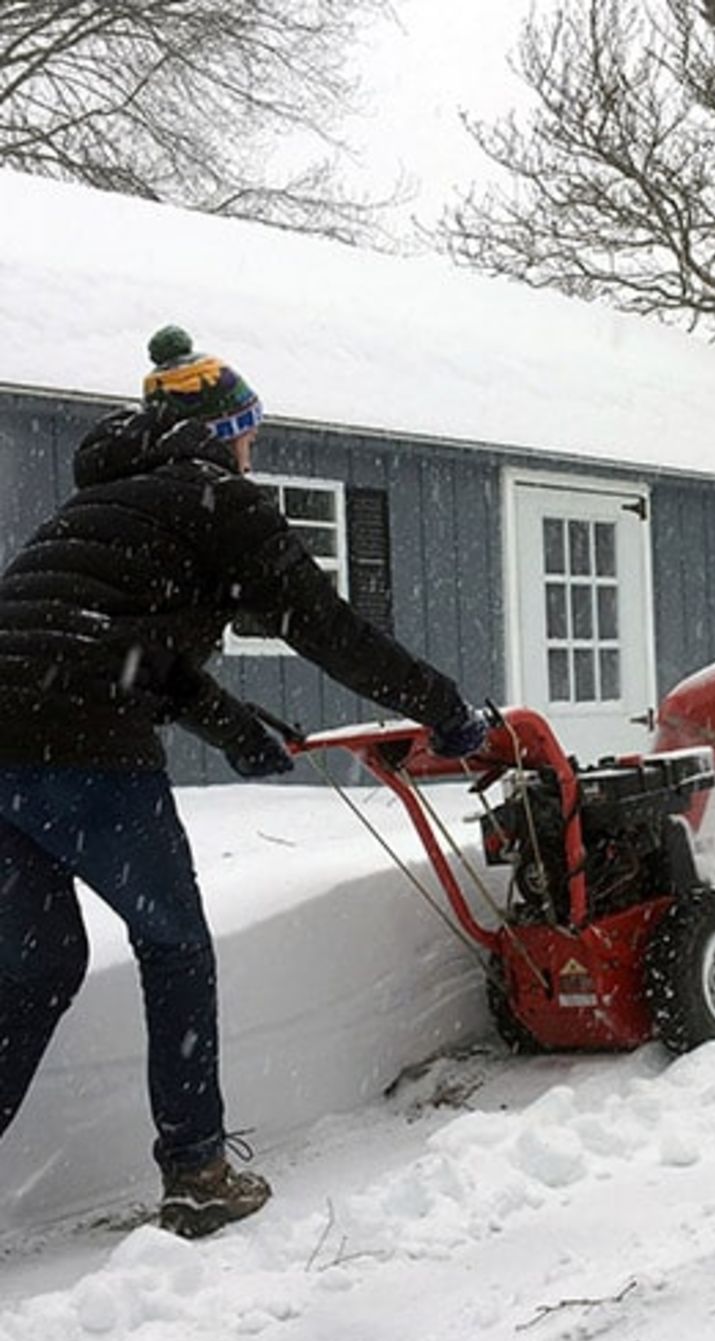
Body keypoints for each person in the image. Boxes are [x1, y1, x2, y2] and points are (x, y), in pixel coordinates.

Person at [0, 326, 489, 1238]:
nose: (252, 452)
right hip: (81, 741)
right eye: (249, 435)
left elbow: (127, 654)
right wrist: (448, 709)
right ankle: (196, 1170)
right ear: (224, 433)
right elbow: (329, 631)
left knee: (36, 963)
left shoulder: (106, 509)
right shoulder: (218, 499)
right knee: (174, 941)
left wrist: (235, 733)